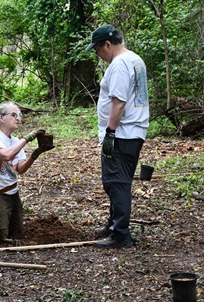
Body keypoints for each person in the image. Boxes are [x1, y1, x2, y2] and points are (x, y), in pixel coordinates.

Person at [85, 24, 150, 249]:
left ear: (108, 44)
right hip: (132, 132)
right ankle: (114, 224)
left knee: (116, 182)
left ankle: (120, 234)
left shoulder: (120, 64)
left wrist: (110, 133)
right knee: (118, 181)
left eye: (98, 49)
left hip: (121, 133)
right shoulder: (134, 59)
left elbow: (119, 101)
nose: (98, 54)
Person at [0, 102, 53, 242]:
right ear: (1, 118)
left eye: (18, 115)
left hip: (13, 193)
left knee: (17, 232)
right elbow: (6, 155)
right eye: (13, 115)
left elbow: (21, 169)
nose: (18, 119)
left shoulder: (15, 141)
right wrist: (27, 139)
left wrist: (36, 153)